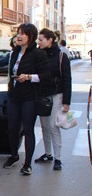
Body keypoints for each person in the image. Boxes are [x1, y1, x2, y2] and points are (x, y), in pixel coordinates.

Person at [2, 23, 50, 175]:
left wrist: (28, 77)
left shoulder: (38, 54)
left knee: (28, 129)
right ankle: (14, 155)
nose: (19, 36)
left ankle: (27, 163)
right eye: (18, 33)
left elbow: (46, 76)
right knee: (12, 128)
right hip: (14, 96)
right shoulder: (15, 52)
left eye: (23, 33)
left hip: (30, 97)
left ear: (31, 36)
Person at [35, 28, 72, 171]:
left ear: (50, 40)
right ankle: (48, 154)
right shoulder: (39, 54)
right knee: (44, 126)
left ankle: (58, 158)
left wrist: (66, 102)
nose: (38, 42)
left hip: (57, 94)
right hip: (43, 94)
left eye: (41, 39)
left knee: (53, 126)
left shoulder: (61, 55)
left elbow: (67, 79)